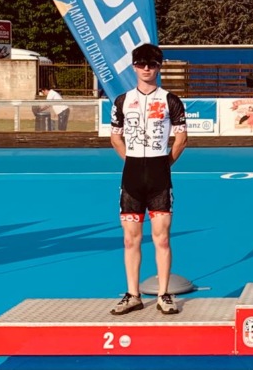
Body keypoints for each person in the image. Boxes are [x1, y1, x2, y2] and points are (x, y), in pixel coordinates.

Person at [109, 43, 188, 316]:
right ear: (134, 67)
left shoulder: (171, 100)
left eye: (152, 64)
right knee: (130, 240)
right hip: (131, 177)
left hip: (159, 179)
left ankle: (164, 294)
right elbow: (115, 137)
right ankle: (133, 295)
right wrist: (131, 160)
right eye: (141, 64)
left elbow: (181, 138)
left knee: (162, 239)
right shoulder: (122, 101)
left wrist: (164, 163)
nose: (146, 69)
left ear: (159, 67)